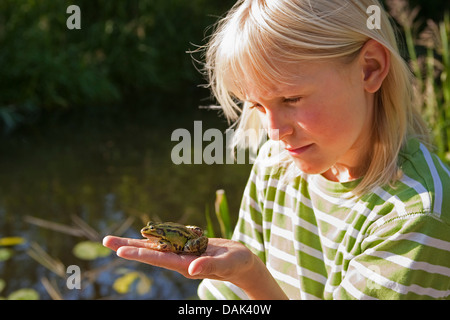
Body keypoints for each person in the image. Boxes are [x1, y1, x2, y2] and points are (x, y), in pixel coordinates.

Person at [103, 0, 450, 299]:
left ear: (370, 68)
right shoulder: (277, 164)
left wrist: (251, 277)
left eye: (291, 99)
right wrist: (232, 277)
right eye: (256, 105)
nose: (274, 131)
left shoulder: (416, 214)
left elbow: (247, 281)